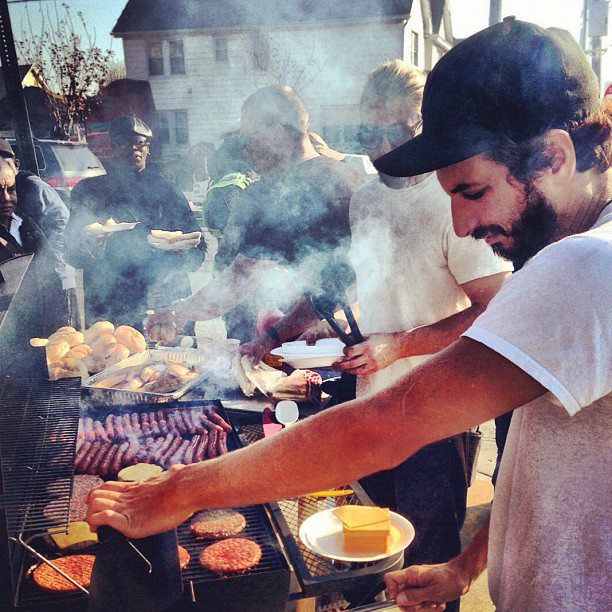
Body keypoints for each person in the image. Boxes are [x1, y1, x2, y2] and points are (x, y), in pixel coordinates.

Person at [88, 20, 611, 611]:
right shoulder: (572, 265)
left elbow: (383, 424)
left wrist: (178, 490)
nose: (463, 226)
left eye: (472, 192)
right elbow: (534, 462)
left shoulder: (590, 266)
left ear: (555, 157)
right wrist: (464, 568)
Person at [343, 60, 510, 605]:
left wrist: (401, 345)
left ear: (422, 127)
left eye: (398, 129)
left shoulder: (453, 198)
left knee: (429, 566)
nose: (384, 145)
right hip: (372, 404)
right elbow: (373, 286)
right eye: (371, 131)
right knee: (372, 553)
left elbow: (495, 307)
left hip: (440, 415)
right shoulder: (364, 198)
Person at [145, 85, 365, 343]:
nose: (246, 151)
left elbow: (238, 280)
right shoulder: (354, 178)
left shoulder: (272, 193)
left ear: (278, 131)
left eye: (248, 139)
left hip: (295, 349)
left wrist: (177, 312)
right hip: (356, 344)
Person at [64, 115, 205, 329]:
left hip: (162, 299)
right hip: (109, 302)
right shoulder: (89, 191)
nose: (133, 149)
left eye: (139, 143)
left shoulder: (167, 190)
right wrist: (90, 242)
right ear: (113, 146)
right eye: (123, 143)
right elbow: (72, 253)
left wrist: (180, 252)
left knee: (176, 359)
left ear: (148, 148)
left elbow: (198, 248)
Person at [0, 158, 65, 332]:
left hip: (37, 331)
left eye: (11, 189)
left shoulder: (25, 223)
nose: (6, 198)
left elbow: (51, 272)